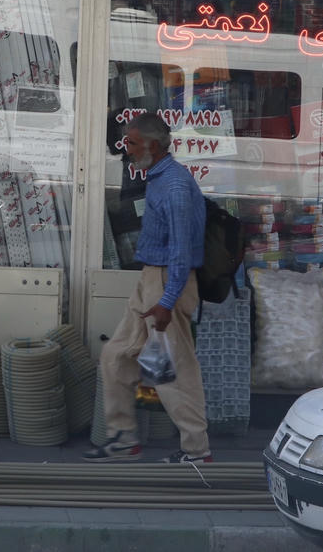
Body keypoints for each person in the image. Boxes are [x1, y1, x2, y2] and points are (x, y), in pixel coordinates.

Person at [84, 113, 211, 464]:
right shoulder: (159, 178)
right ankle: (123, 439)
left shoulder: (173, 186)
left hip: (168, 282)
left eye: (133, 142)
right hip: (152, 280)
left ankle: (197, 451)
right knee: (115, 357)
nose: (126, 148)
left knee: (172, 371)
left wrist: (167, 302)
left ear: (152, 146)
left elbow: (182, 250)